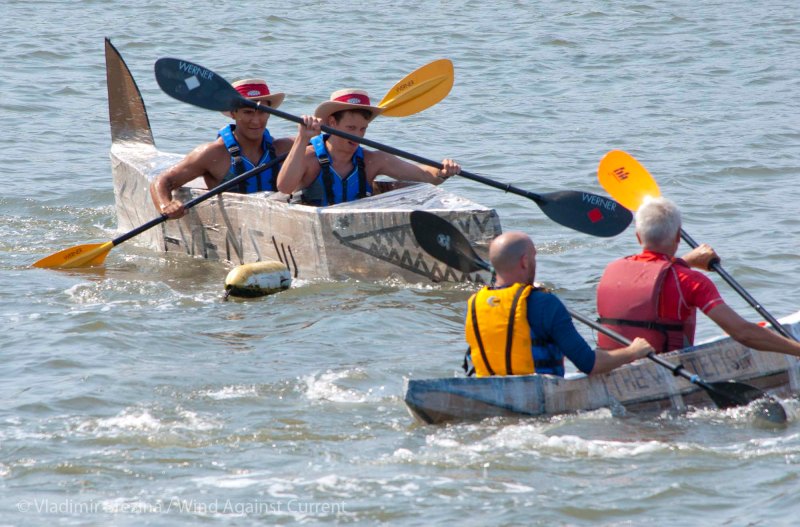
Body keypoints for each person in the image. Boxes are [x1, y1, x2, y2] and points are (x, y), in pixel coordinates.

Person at [596, 197, 800, 357]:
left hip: (613, 361)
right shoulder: (691, 281)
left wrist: (685, 262)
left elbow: (653, 278)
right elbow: (742, 333)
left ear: (639, 237)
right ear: (678, 237)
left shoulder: (612, 270)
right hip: (667, 367)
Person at [465, 232, 654, 377]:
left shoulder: (475, 303)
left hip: (490, 390)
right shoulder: (545, 303)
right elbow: (589, 364)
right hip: (537, 396)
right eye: (534, 258)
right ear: (524, 262)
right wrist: (633, 351)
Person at [276, 89, 461, 206]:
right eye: (350, 128)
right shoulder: (309, 157)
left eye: (362, 129)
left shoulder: (373, 160)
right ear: (331, 123)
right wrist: (302, 138)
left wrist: (443, 171)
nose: (357, 135)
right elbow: (284, 188)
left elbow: (424, 175)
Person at [150, 78, 293, 219]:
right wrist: (165, 205)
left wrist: (312, 128)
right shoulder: (212, 153)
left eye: (262, 112)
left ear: (269, 113)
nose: (256, 120)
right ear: (233, 113)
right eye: (248, 112)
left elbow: (315, 145)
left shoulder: (285, 148)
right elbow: (162, 181)